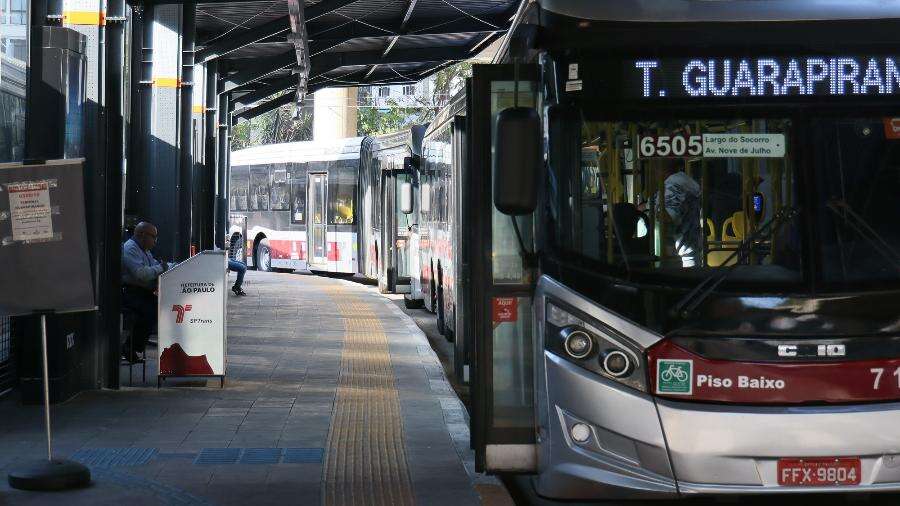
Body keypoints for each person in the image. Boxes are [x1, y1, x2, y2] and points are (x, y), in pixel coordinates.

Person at [121, 221, 168, 362]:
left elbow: (154, 265)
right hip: (129, 293)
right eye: (153, 237)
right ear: (142, 235)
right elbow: (141, 273)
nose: (155, 241)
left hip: (140, 291)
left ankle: (132, 347)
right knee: (150, 310)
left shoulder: (144, 250)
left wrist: (170, 266)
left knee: (159, 307)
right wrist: (162, 268)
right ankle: (130, 347)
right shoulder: (130, 249)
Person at [642, 160, 702, 267]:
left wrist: (656, 213)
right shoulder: (680, 182)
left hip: (679, 258)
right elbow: (651, 203)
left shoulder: (673, 186)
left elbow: (668, 217)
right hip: (690, 249)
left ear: (660, 170)